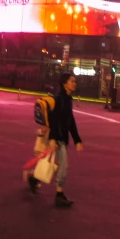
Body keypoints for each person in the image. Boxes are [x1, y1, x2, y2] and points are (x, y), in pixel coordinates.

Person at [48, 72, 84, 207]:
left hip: (62, 137)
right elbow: (53, 119)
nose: (75, 83)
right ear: (65, 83)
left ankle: (33, 179)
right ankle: (59, 195)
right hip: (57, 137)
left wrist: (77, 139)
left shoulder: (68, 99)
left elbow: (70, 121)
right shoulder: (59, 99)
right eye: (72, 81)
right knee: (64, 165)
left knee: (48, 163)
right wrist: (53, 139)